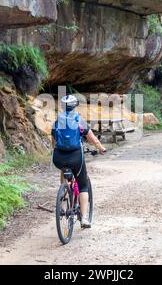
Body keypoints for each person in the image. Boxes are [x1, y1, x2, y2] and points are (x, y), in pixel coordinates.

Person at [51, 94, 106, 228]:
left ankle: (64, 192)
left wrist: (58, 150)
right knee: (83, 186)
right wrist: (100, 148)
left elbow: (54, 140)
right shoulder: (78, 120)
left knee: (64, 170)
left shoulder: (57, 121)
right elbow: (91, 137)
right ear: (75, 106)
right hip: (76, 157)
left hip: (58, 157)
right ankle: (84, 219)